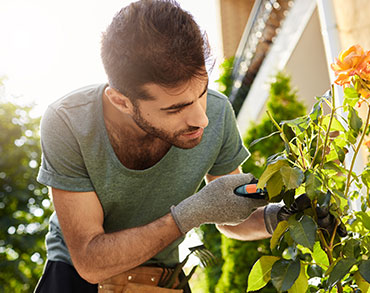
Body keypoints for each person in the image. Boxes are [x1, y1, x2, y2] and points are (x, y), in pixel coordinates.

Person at [34, 1, 280, 292]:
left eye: (201, 93)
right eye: (175, 109)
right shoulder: (68, 122)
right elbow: (90, 262)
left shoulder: (218, 111)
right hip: (76, 279)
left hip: (163, 280)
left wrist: (279, 217)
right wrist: (190, 213)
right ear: (121, 101)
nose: (201, 119)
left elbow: (230, 218)